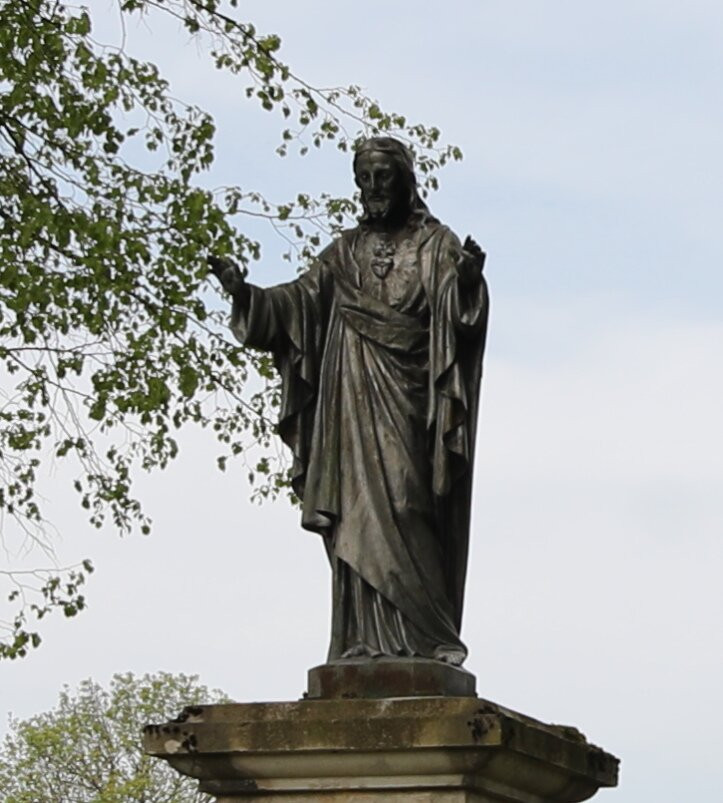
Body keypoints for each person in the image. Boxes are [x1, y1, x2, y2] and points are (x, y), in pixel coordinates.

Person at [210, 137, 489, 666]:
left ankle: (428, 637)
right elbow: (296, 302)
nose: (374, 188)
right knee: (356, 513)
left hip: (407, 399)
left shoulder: (435, 245)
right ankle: (361, 642)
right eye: (365, 179)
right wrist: (246, 295)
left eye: (384, 177)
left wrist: (468, 284)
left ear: (407, 179)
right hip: (350, 402)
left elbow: (457, 308)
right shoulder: (343, 252)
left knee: (407, 502)